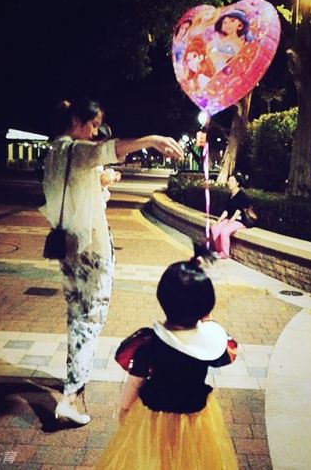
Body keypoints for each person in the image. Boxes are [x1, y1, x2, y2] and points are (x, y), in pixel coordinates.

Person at [40, 97, 183, 426]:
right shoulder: (77, 150)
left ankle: (73, 387)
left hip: (67, 248)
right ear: (76, 122)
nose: (94, 132)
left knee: (77, 316)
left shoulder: (54, 151)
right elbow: (109, 150)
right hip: (91, 250)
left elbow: (73, 191)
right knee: (90, 320)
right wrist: (151, 140)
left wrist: (100, 182)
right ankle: (71, 397)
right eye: (92, 125)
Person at [96, 251, 239, 469]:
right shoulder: (209, 344)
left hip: (154, 417)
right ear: (207, 307)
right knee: (191, 460)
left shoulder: (148, 343)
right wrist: (208, 322)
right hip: (194, 418)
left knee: (154, 459)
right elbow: (226, 351)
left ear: (163, 298)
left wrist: (125, 408)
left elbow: (135, 383)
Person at [211, 174, 257, 259]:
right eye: (229, 181)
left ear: (237, 183)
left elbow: (238, 211)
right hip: (230, 219)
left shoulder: (241, 195)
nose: (229, 183)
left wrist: (230, 222)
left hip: (240, 221)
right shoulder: (230, 196)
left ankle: (225, 253)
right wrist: (219, 221)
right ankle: (219, 250)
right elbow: (226, 210)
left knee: (224, 231)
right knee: (214, 228)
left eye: (232, 181)